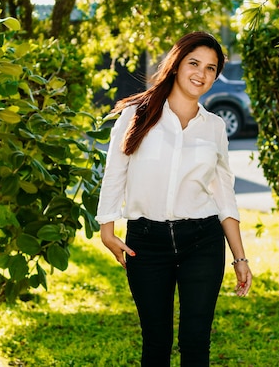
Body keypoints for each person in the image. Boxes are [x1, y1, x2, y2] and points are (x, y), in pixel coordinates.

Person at [96, 31, 252, 367]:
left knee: (196, 342)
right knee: (156, 343)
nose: (201, 73)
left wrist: (240, 258)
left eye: (211, 68)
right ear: (177, 64)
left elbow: (224, 193)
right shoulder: (135, 115)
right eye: (194, 63)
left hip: (203, 242)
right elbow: (115, 172)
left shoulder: (214, 127)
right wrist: (107, 229)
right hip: (146, 244)